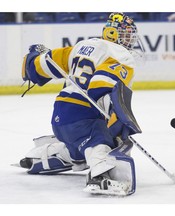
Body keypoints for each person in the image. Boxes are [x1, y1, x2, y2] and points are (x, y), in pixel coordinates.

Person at [20, 12, 144, 196]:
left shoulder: (82, 45)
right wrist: (120, 122)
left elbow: (39, 66)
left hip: (60, 115)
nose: (130, 40)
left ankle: (42, 156)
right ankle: (100, 176)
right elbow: (101, 85)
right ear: (112, 33)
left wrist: (33, 58)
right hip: (83, 114)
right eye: (126, 34)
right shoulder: (122, 54)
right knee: (102, 141)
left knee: (78, 147)